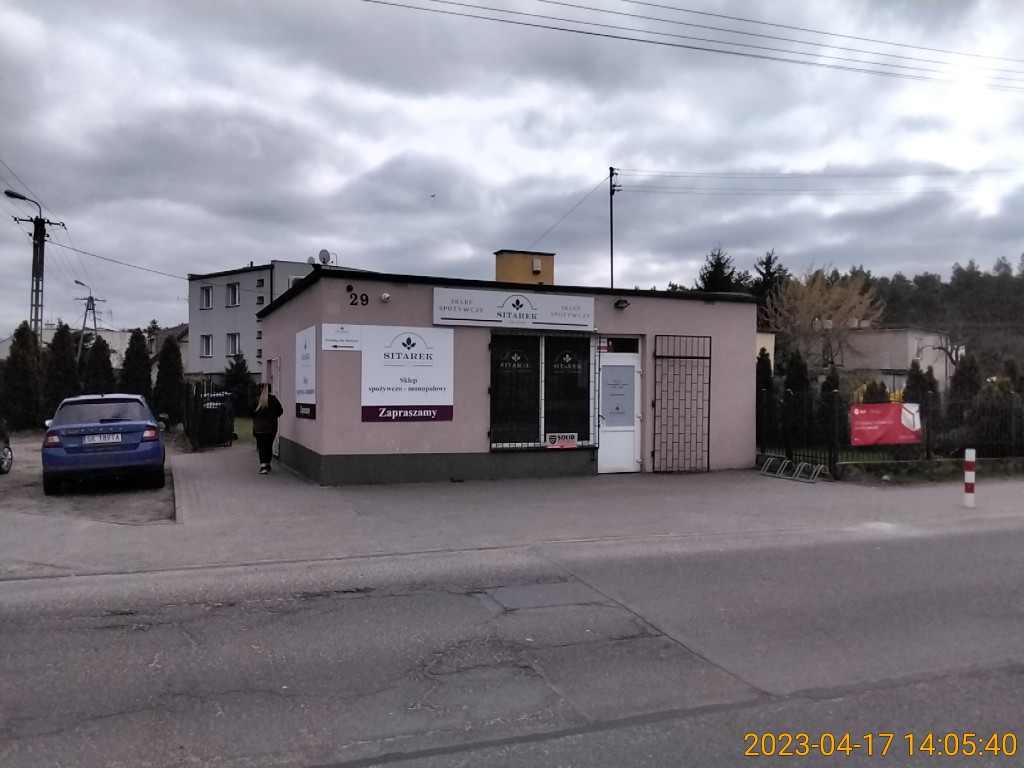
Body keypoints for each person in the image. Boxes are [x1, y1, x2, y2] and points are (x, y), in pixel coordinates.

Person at [250, 382, 283, 475]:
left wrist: (256, 417)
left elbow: (249, 412)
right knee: (268, 445)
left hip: (259, 428)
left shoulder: (256, 400)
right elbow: (280, 411)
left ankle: (263, 465)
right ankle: (267, 463)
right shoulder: (273, 400)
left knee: (262, 446)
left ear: (260, 389)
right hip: (271, 427)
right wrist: (272, 416)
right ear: (270, 390)